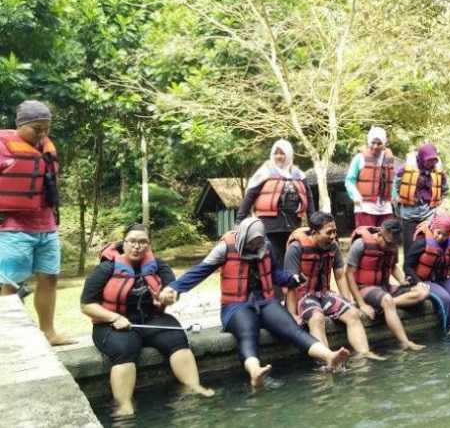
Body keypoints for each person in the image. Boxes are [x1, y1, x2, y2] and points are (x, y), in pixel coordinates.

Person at [159, 217, 349, 388]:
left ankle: (329, 356)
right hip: (235, 305)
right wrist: (175, 288)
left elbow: (275, 274)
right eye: (252, 242)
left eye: (259, 241)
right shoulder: (226, 247)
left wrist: (293, 279)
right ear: (244, 237)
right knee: (248, 334)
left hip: (265, 301)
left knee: (292, 329)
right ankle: (255, 371)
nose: (256, 246)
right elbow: (200, 271)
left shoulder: (265, 246)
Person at [80, 224, 214, 416]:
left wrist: (169, 297)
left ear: (149, 245)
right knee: (125, 349)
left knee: (177, 338)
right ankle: (124, 404)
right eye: (132, 241)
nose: (137, 246)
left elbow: (172, 290)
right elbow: (86, 305)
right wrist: (114, 317)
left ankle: (193, 386)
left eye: (143, 242)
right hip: (111, 323)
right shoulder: (106, 268)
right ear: (124, 243)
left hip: (150, 318)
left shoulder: (158, 266)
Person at [0, 100, 73, 345]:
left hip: (47, 227)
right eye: (36, 128)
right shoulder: (2, 146)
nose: (42, 133)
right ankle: (9, 338)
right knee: (10, 283)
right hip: (13, 228)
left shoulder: (47, 149)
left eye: (46, 128)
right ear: (20, 124)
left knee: (49, 278)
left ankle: (48, 333)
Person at [284, 211, 384, 360]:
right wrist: (292, 314)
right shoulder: (296, 248)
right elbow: (289, 284)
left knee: (352, 314)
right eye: (329, 232)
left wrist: (347, 300)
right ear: (315, 232)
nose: (333, 236)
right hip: (302, 295)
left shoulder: (333, 247)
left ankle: (364, 354)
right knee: (317, 318)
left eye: (335, 231)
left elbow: (340, 275)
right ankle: (327, 360)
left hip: (324, 293)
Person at [344, 219, 428, 351]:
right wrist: (361, 304)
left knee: (422, 291)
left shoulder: (392, 245)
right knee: (387, 299)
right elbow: (348, 274)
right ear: (382, 233)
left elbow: (393, 266)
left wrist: (403, 281)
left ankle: (384, 306)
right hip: (365, 289)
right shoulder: (360, 244)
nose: (391, 247)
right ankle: (405, 342)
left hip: (384, 287)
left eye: (393, 244)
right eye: (389, 243)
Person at [237, 139, 314, 265]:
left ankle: (289, 283)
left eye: (282, 153)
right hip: (270, 226)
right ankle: (274, 284)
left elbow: (309, 198)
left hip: (293, 224)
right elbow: (250, 196)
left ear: (289, 154)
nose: (279, 156)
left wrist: (313, 222)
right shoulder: (265, 172)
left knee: (291, 257)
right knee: (274, 258)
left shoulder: (299, 175)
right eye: (276, 153)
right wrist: (239, 220)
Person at [404, 213, 450, 337]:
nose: (441, 237)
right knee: (446, 298)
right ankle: (448, 328)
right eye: (439, 233)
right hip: (425, 281)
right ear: (433, 228)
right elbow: (407, 266)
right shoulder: (421, 243)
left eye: (445, 234)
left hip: (443, 279)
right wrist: (418, 282)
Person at [393, 142, 449, 258]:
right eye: (429, 160)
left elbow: (445, 189)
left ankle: (427, 274)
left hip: (428, 214)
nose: (431, 163)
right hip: (409, 214)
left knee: (429, 246)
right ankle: (409, 274)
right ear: (422, 157)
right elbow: (395, 186)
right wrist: (397, 197)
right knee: (410, 248)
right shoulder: (406, 169)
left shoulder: (438, 172)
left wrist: (438, 201)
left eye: (434, 160)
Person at [344, 126, 395, 227]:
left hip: (385, 208)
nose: (375, 146)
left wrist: (394, 197)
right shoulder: (359, 158)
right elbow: (349, 180)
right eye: (373, 143)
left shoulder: (389, 159)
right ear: (368, 142)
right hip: (364, 207)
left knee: (386, 239)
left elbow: (392, 181)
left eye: (379, 143)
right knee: (367, 238)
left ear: (384, 144)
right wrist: (355, 195)